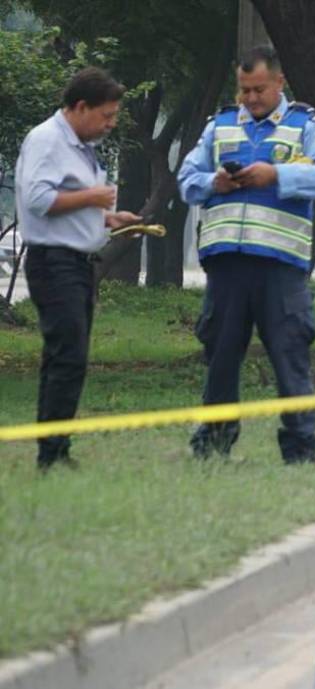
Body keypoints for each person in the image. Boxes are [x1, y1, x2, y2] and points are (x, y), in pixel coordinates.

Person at [177, 46, 315, 464]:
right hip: (227, 266)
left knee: (290, 356)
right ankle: (214, 444)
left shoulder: (305, 125)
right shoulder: (220, 126)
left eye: (259, 89)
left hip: (279, 267)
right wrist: (215, 183)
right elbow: (186, 179)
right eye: (245, 90)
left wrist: (278, 175)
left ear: (279, 83)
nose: (251, 98)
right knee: (220, 358)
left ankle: (301, 449)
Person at [15, 67, 142, 470]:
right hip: (54, 264)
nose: (110, 123)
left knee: (67, 356)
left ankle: (54, 450)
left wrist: (108, 217)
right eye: (106, 115)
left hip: (76, 262)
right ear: (81, 107)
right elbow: (38, 200)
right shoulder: (47, 140)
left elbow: (66, 202)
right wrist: (92, 197)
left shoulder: (78, 147)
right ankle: (52, 455)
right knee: (67, 355)